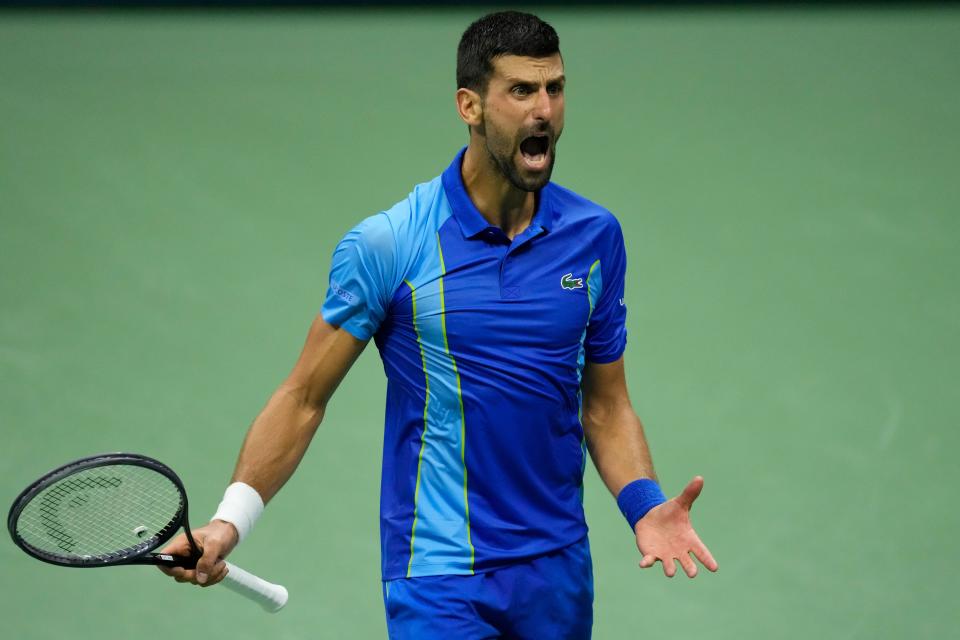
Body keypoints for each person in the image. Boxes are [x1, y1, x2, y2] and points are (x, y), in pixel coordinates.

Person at [159, 10, 717, 639]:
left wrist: (644, 507)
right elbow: (303, 397)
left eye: (555, 89)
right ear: (469, 106)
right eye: (521, 91)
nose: (544, 111)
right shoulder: (391, 244)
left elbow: (607, 407)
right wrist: (229, 523)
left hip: (557, 567)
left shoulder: (595, 237)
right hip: (438, 571)